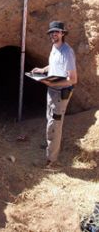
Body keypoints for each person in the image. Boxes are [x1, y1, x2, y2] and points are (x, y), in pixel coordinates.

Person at [32, 21, 77, 168]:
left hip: (60, 93)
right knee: (50, 121)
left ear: (63, 33)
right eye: (51, 32)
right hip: (52, 91)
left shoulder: (67, 52)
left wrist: (53, 84)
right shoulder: (54, 47)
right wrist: (43, 70)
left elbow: (73, 79)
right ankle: (52, 147)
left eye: (57, 32)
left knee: (54, 125)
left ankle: (52, 161)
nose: (53, 34)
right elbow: (55, 65)